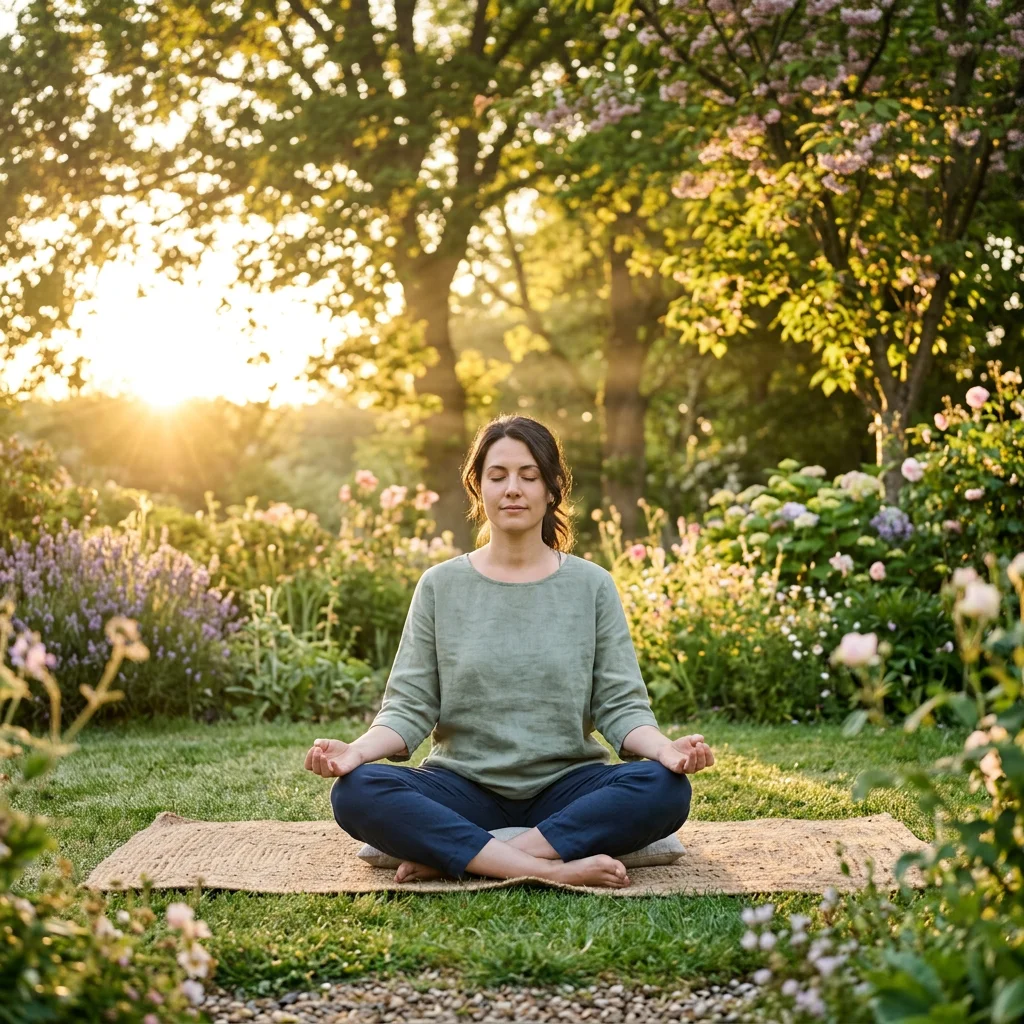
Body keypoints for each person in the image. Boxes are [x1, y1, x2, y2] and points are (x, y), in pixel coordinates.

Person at [304, 414, 714, 889]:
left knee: (664, 789)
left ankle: (463, 859)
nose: (512, 489)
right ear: (478, 488)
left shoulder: (592, 585)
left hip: (568, 785)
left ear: (551, 489)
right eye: (497, 476)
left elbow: (620, 706)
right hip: (462, 786)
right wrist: (355, 752)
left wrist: (667, 751)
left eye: (529, 475)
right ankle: (546, 865)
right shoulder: (440, 585)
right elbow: (410, 706)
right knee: (357, 792)